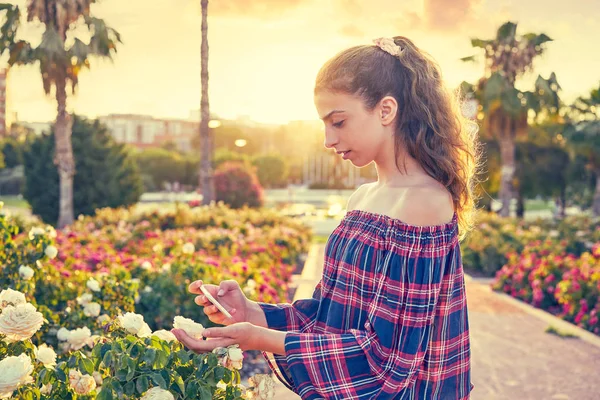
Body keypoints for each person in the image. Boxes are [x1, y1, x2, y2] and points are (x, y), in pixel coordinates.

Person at [171, 36, 479, 399]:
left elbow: (389, 358)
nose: (328, 140)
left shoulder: (425, 203)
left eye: (339, 121)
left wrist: (260, 339)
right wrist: (251, 313)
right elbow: (329, 316)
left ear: (386, 110)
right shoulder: (363, 198)